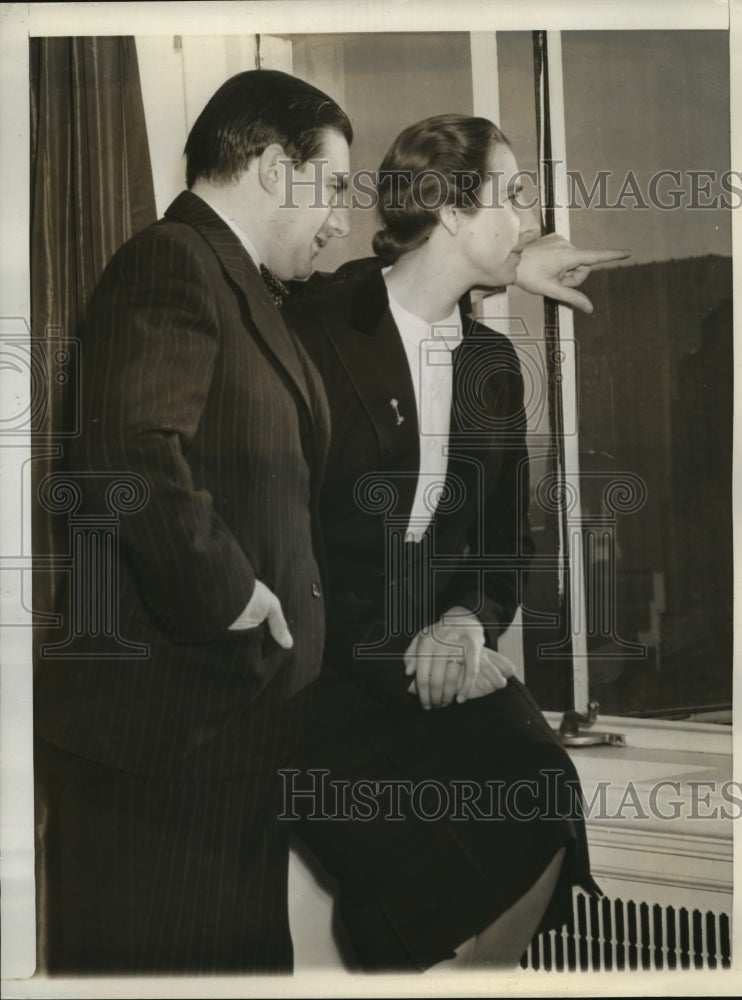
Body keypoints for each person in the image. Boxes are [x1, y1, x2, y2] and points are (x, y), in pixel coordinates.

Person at [281, 114, 629, 971]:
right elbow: (288, 538)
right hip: (324, 673)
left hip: (442, 655)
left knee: (541, 785)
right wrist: (410, 647)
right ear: (446, 209)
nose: (532, 214)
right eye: (511, 196)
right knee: (401, 904)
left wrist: (468, 624)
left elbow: (506, 544)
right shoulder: (320, 322)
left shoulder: (490, 366)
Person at [33, 69, 352, 974]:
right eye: (330, 186)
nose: (339, 217)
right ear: (266, 166)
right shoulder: (173, 259)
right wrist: (231, 596)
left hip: (229, 736)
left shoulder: (244, 284)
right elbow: (128, 455)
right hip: (165, 743)